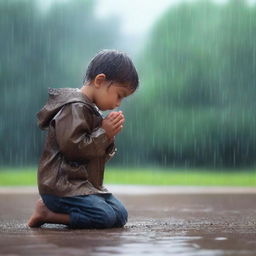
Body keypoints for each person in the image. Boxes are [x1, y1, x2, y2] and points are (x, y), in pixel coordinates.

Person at [27, 49, 139, 229]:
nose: (118, 103)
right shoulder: (74, 108)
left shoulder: (91, 111)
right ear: (100, 81)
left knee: (120, 215)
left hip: (81, 187)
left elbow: (94, 155)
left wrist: (108, 135)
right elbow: (73, 149)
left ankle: (66, 210)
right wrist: (104, 133)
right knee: (104, 217)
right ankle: (46, 212)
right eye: (119, 95)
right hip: (62, 188)